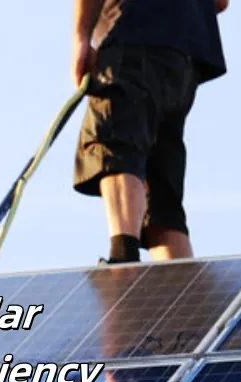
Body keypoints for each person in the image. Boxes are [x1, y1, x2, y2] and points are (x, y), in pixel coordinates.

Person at [71, 0, 230, 264]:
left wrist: (81, 38)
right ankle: (180, 290)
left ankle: (123, 258)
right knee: (160, 186)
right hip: (185, 58)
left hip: (130, 36)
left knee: (116, 144)